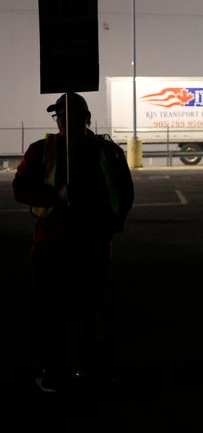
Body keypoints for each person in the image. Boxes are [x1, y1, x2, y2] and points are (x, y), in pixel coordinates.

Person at [12, 92, 134, 392]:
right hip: (50, 248)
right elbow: (21, 189)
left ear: (86, 118)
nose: (64, 120)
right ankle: (49, 369)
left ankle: (90, 366)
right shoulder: (42, 150)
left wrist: (113, 224)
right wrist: (56, 196)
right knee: (50, 314)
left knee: (92, 313)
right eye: (59, 115)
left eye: (71, 115)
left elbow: (124, 190)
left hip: (92, 246)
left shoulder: (106, 151)